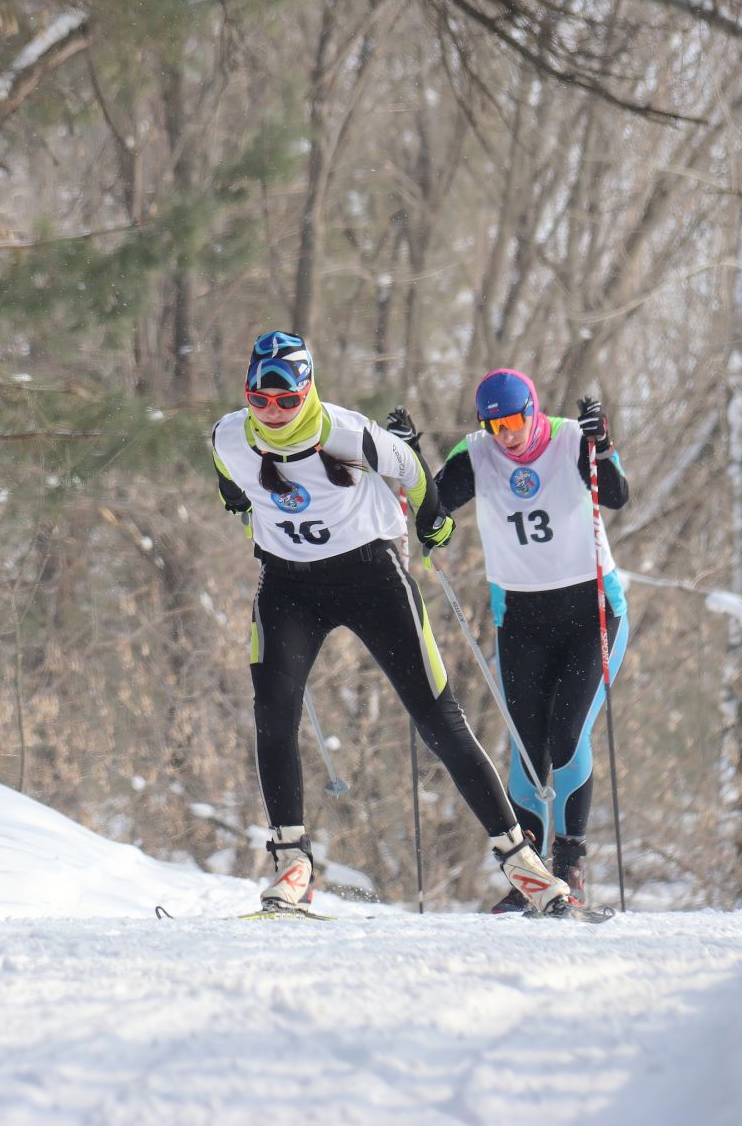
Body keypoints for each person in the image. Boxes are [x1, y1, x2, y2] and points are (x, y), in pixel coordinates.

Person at [209, 332, 576, 917]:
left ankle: (520, 859)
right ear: (248, 395)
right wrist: (235, 496)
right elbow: (228, 475)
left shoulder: (350, 434)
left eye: (286, 398)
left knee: (437, 716)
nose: (273, 412)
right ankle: (290, 863)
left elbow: (417, 478)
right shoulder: (230, 435)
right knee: (273, 711)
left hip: (371, 578)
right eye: (261, 400)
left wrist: (433, 524)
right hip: (287, 586)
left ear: (308, 391)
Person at [386, 368, 628, 911]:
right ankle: (532, 876)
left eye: (517, 421)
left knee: (567, 736)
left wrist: (602, 444)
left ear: (534, 411)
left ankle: (571, 861)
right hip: (521, 618)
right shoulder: (480, 455)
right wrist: (410, 458)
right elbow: (434, 511)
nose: (508, 435)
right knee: (526, 747)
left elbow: (615, 495)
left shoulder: (569, 439)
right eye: (495, 425)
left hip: (592, 611)